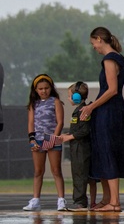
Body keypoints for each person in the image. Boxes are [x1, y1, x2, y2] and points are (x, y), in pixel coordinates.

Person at [80, 27, 124, 212]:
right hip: (114, 110)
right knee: (103, 151)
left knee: (107, 151)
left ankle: (114, 202)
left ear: (99, 39)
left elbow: (112, 89)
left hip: (109, 110)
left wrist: (91, 106)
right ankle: (107, 198)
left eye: (93, 43)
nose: (94, 47)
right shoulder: (118, 58)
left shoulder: (109, 59)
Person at [24, 73, 66, 211]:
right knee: (38, 171)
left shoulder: (55, 101)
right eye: (40, 88)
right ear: (36, 90)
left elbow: (60, 122)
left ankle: (61, 200)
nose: (44, 91)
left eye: (46, 88)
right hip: (38, 139)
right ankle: (35, 200)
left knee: (56, 170)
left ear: (51, 88)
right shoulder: (33, 104)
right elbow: (30, 123)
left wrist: (54, 138)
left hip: (52, 138)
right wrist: (32, 139)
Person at [58, 81, 97, 211]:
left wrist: (69, 137)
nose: (69, 99)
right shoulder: (78, 111)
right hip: (76, 147)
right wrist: (68, 134)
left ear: (76, 97)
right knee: (77, 174)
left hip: (81, 148)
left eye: (70, 96)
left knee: (80, 175)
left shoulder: (83, 111)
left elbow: (85, 130)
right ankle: (80, 200)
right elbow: (78, 129)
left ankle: (80, 201)